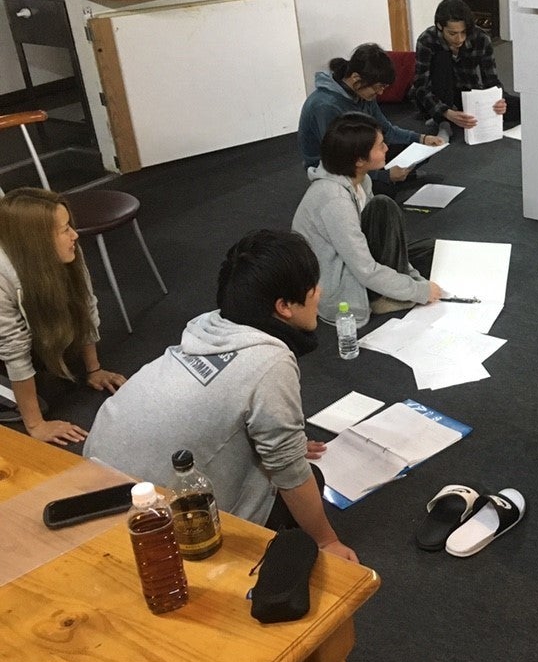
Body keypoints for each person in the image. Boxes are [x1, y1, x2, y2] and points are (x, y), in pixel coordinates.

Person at [84, 229, 358, 563]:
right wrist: (326, 542)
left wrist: (288, 441)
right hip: (145, 524)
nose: (320, 293)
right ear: (284, 306)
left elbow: (221, 404)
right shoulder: (270, 361)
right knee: (306, 480)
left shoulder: (208, 325)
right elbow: (287, 468)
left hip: (90, 482)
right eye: (313, 287)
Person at [0, 188, 125, 445]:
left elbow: (85, 305)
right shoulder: (3, 278)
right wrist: (35, 425)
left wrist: (94, 369)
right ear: (37, 243)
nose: (75, 235)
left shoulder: (69, 249)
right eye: (64, 230)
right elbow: (14, 349)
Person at [292, 112, 441, 326]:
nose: (387, 148)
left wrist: (415, 281)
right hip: (338, 284)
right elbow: (364, 268)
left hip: (353, 260)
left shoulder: (361, 180)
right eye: (380, 146)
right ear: (359, 160)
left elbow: (369, 239)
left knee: (434, 251)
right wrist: (420, 290)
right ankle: (378, 298)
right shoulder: (335, 200)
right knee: (384, 206)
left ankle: (392, 289)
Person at [298, 42, 444, 198]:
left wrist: (422, 138)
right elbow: (339, 158)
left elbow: (387, 131)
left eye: (383, 87)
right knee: (383, 193)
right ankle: (388, 180)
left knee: (420, 148)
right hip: (333, 167)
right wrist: (384, 176)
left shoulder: (363, 93)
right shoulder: (326, 106)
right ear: (356, 78)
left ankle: (392, 178)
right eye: (378, 87)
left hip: (361, 150)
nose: (380, 93)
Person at [411, 0, 519, 141]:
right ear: (439, 26)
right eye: (452, 33)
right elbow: (421, 86)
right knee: (442, 58)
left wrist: (498, 99)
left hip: (468, 91)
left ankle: (450, 116)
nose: (459, 39)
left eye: (463, 32)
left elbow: (491, 79)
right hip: (437, 92)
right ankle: (442, 122)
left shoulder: (481, 38)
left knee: (518, 107)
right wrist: (446, 112)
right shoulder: (427, 40)